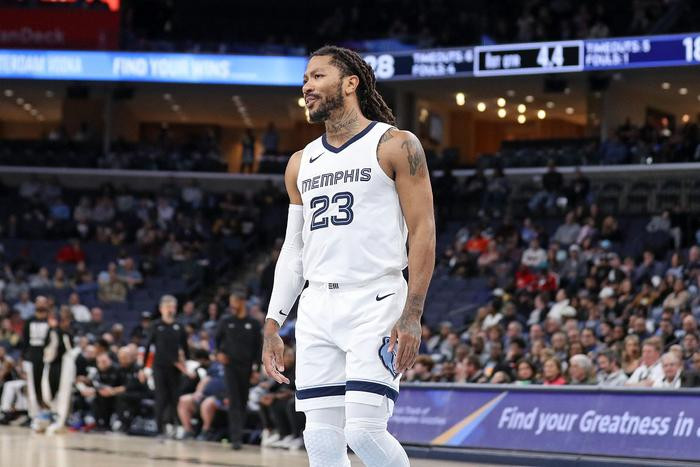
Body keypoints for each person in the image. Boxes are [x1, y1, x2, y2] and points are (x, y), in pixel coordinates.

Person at [262, 45, 435, 467]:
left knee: (364, 431)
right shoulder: (300, 162)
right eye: (305, 79)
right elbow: (294, 248)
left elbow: (423, 231)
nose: (307, 86)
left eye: (318, 76)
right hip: (317, 305)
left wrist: (412, 314)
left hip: (375, 299)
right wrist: (273, 322)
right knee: (320, 438)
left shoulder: (395, 144)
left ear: (350, 83)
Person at [214, 291, 261, 450]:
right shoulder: (226, 321)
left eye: (234, 302)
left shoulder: (253, 324)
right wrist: (218, 354)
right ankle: (236, 438)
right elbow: (215, 341)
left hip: (247, 367)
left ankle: (239, 433)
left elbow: (258, 348)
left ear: (242, 302)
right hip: (230, 366)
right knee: (234, 400)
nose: (232, 305)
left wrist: (257, 369)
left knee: (243, 401)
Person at [144, 295, 191, 438]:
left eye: (172, 307)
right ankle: (159, 429)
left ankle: (175, 427)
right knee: (161, 398)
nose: (170, 310)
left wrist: (186, 365)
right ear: (161, 309)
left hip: (175, 368)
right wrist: (144, 367)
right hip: (159, 367)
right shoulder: (155, 326)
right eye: (167, 307)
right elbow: (148, 347)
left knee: (175, 398)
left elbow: (185, 348)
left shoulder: (179, 326)